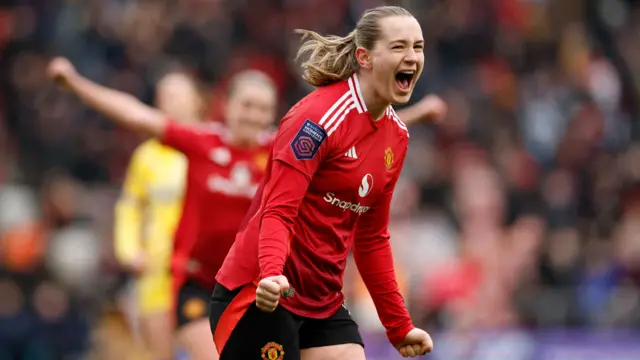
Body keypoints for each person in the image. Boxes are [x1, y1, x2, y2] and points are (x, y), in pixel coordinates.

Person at [209, 5, 437, 360]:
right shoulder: (315, 120)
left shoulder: (397, 135)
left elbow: (372, 239)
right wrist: (271, 274)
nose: (412, 57)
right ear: (364, 56)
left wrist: (399, 326)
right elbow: (278, 211)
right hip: (260, 294)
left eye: (418, 47)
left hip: (323, 302)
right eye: (398, 47)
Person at [45, 60, 277, 360]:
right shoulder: (201, 143)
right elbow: (133, 114)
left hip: (252, 288)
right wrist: (75, 82)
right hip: (194, 282)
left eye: (263, 108)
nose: (254, 116)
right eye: (247, 105)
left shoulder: (279, 151)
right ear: (227, 105)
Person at [113, 72, 198, 360]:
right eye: (164, 97)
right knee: (159, 351)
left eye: (177, 95)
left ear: (196, 100)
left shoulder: (211, 148)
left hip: (200, 269)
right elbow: (129, 208)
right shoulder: (146, 157)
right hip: (156, 269)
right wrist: (129, 251)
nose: (169, 102)